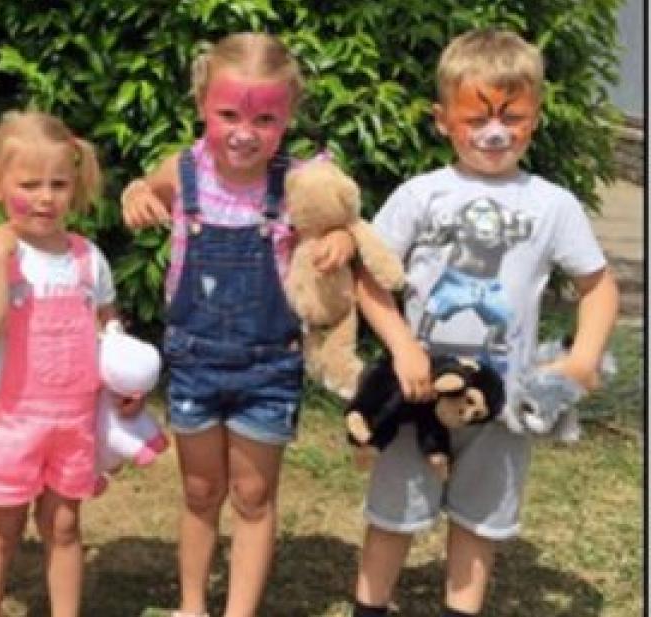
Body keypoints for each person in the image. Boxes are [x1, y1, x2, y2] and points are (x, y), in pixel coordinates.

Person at [349, 29, 618, 617]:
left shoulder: (553, 205)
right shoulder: (421, 194)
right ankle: (370, 606)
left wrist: (582, 358)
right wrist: (401, 347)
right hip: (415, 394)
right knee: (393, 515)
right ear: (442, 119)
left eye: (512, 117)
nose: (494, 133)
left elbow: (597, 287)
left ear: (535, 118)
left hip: (502, 403)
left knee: (479, 523)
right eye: (476, 119)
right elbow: (367, 278)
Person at [120, 32, 356, 617]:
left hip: (269, 365)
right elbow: (143, 191)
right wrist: (135, 194)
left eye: (265, 118)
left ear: (288, 117)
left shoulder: (300, 184)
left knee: (253, 495)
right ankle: (192, 604)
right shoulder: (181, 172)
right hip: (196, 362)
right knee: (200, 491)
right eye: (228, 114)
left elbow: (345, 225)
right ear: (203, 104)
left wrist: (344, 239)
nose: (244, 132)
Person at [0, 110, 110, 617]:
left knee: (65, 526)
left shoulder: (89, 258)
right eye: (30, 184)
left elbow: (108, 328)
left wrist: (126, 377)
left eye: (59, 184)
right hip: (12, 417)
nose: (46, 197)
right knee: (3, 527)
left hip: (73, 417)